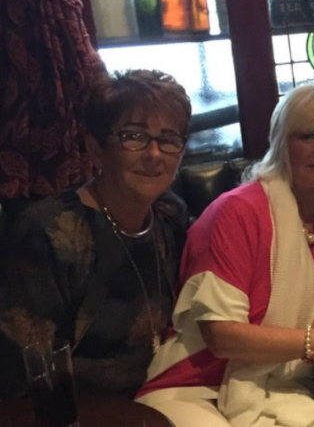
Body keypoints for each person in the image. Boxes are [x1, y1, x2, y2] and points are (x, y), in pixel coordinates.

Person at [135, 85, 314, 427]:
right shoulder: (235, 212)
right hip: (194, 385)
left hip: (283, 383)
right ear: (282, 142)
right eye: (308, 136)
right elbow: (222, 337)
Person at [0, 70, 191, 398]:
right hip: (84, 411)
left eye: (168, 138)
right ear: (96, 149)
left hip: (167, 394)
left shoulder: (170, 216)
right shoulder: (51, 233)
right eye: (134, 136)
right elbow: (27, 371)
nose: (154, 154)